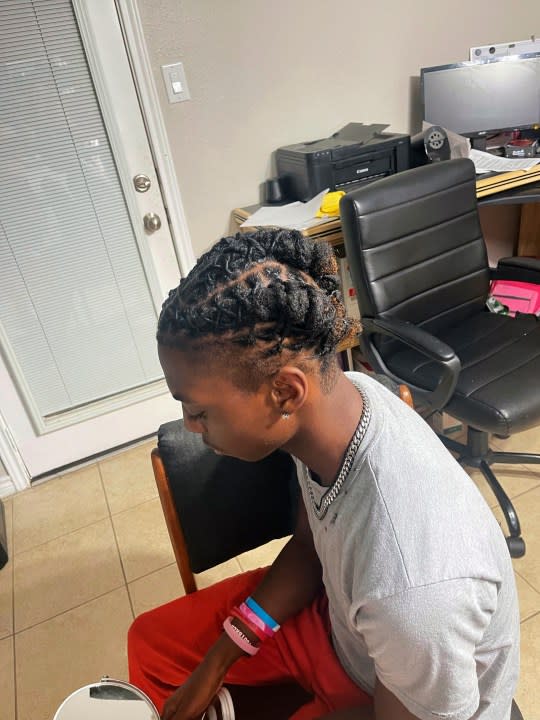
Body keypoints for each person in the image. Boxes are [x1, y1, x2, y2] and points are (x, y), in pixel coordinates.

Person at [128, 228, 519, 720]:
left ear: (286, 394)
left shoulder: (413, 590)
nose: (189, 426)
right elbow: (314, 546)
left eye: (200, 412)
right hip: (342, 627)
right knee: (149, 642)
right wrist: (218, 662)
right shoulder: (341, 399)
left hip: (387, 686)